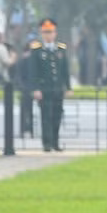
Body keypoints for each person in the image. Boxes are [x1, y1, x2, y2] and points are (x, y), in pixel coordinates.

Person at [29, 19, 73, 152]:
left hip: (57, 88)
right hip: (44, 88)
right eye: (46, 32)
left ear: (55, 33)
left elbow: (65, 70)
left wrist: (68, 87)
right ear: (41, 33)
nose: (48, 35)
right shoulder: (37, 50)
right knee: (46, 116)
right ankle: (47, 143)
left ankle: (55, 142)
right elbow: (33, 71)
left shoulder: (60, 49)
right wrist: (36, 88)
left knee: (57, 116)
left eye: (51, 32)